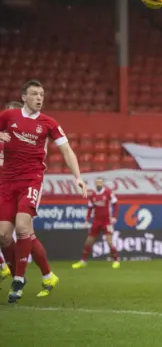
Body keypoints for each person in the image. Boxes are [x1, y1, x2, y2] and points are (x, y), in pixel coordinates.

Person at [0, 80, 87, 303]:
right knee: (3, 235)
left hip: (31, 180)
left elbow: (67, 150)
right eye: (35, 94)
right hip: (6, 182)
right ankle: (25, 274)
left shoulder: (48, 123)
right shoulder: (8, 117)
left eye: (42, 94)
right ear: (23, 97)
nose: (40, 98)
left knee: (22, 226)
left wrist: (77, 177)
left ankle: (19, 278)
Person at [71, 177, 120, 269]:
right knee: (89, 241)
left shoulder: (108, 192)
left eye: (100, 183)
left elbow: (116, 204)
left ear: (103, 184)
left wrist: (114, 217)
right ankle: (83, 261)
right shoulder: (92, 195)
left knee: (109, 241)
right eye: (97, 183)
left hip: (106, 221)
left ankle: (116, 260)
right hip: (96, 221)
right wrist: (87, 219)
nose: (98, 185)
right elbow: (90, 208)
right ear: (95, 184)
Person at [0, 101, 22, 282]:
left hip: (11, 192)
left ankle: (16, 276)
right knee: (4, 238)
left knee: (5, 237)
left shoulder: (25, 141)